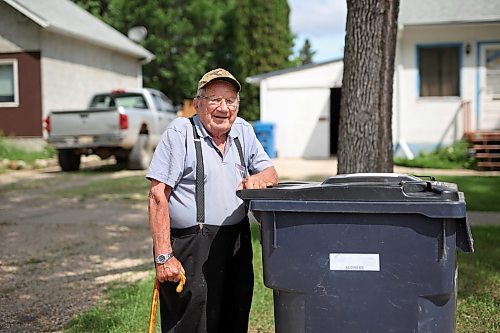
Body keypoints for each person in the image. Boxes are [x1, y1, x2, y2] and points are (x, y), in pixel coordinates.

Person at [146, 68, 278, 333]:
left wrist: (258, 180)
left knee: (234, 315)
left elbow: (270, 172)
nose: (223, 108)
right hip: (192, 244)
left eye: (230, 101)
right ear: (198, 104)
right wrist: (163, 257)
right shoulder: (180, 132)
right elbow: (158, 194)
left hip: (237, 243)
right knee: (192, 323)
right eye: (215, 99)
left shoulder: (243, 130)